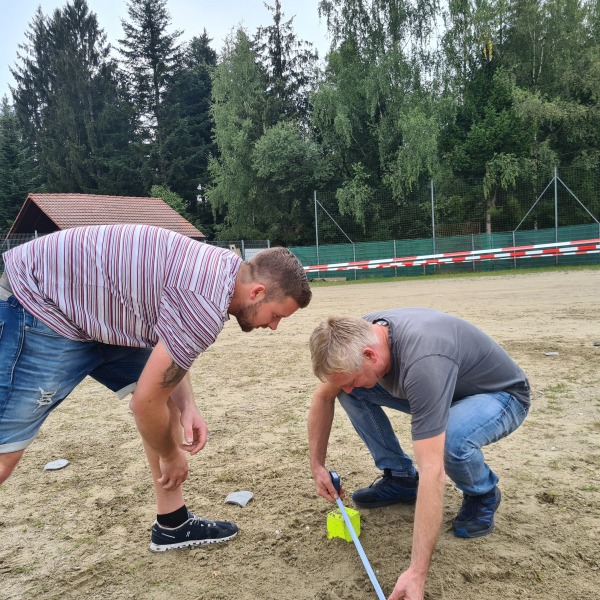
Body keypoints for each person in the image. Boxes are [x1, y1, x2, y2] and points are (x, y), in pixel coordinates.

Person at [0, 223, 311, 552]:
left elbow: (170, 350)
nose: (274, 326)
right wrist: (171, 455)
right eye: (276, 315)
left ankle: (172, 525)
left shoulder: (223, 271)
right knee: (5, 455)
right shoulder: (205, 304)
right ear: (257, 293)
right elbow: (145, 404)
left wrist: (188, 405)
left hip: (91, 311)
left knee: (167, 400)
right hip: (39, 302)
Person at [307, 308, 530, 600]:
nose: (346, 387)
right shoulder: (353, 338)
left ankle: (482, 492)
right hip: (442, 388)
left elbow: (432, 470)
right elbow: (323, 396)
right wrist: (317, 466)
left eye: (350, 378)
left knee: (451, 441)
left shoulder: (423, 362)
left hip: (499, 395)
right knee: (350, 393)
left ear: (370, 356)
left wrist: (416, 572)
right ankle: (400, 477)